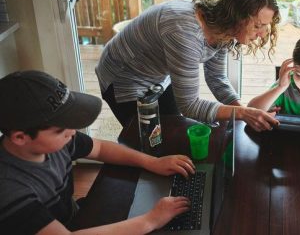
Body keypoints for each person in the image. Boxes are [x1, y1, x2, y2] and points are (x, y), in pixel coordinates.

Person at [0, 70, 196, 234]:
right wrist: (150, 220)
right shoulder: (10, 191)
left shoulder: (57, 141)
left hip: (72, 218)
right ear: (20, 137)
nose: (72, 132)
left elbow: (101, 148)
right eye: (61, 130)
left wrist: (152, 162)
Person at [96, 0, 280, 132]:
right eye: (258, 26)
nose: (263, 33)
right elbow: (190, 105)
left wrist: (244, 112)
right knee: (151, 143)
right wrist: (243, 114)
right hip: (123, 78)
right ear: (236, 17)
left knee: (173, 131)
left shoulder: (224, 30)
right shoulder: (184, 32)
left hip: (158, 76)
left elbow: (216, 77)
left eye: (265, 26)